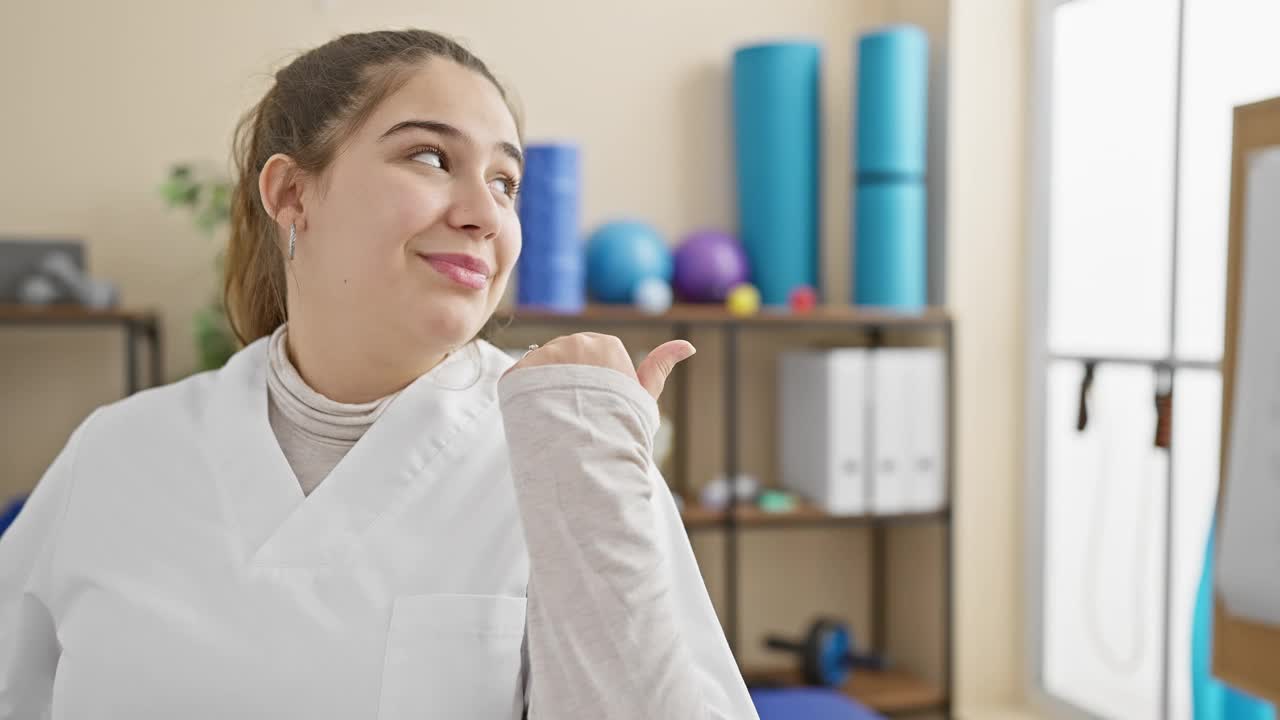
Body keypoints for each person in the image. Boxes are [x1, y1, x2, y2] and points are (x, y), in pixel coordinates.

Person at [0, 29, 757, 719]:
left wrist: (591, 478)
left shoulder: (568, 449)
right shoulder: (119, 455)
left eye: (505, 183)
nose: (484, 214)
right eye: (430, 157)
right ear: (292, 193)